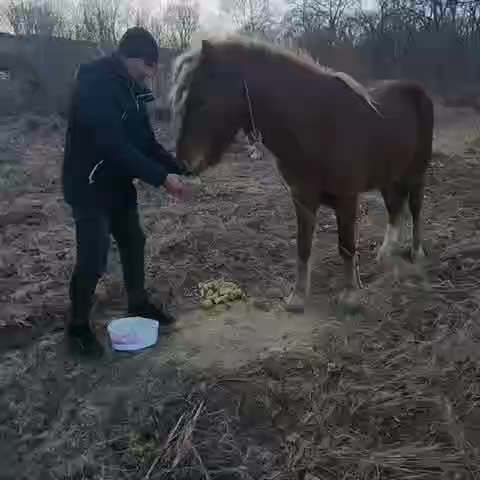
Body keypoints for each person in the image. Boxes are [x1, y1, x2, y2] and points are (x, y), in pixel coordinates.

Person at [62, 27, 186, 356]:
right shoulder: (95, 84)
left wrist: (179, 166)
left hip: (117, 184)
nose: (149, 77)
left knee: (134, 240)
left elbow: (144, 142)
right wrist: (161, 179)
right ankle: (77, 327)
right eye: (148, 68)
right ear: (133, 59)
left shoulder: (132, 89)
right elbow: (113, 144)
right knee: (94, 254)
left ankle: (138, 303)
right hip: (88, 183)